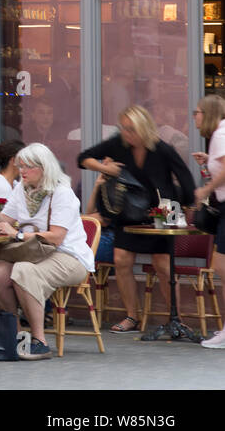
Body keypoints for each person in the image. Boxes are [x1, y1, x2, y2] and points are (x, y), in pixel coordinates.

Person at [78, 105, 194, 333]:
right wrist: (106, 169)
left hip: (162, 209)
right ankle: (132, 316)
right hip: (128, 211)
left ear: (143, 128)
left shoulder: (162, 149)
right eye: (123, 128)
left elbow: (185, 177)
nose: (126, 133)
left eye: (131, 129)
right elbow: (83, 158)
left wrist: (189, 206)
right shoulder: (119, 145)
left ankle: (176, 319)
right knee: (121, 259)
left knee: (163, 265)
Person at [0, 143, 94, 360]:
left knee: (24, 270)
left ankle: (40, 341)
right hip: (35, 252)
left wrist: (16, 235)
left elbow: (56, 236)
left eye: (27, 166)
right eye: (20, 165)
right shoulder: (22, 189)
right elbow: (5, 220)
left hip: (68, 256)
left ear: (44, 168)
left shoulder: (61, 193)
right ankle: (17, 335)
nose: (22, 170)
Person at [192, 95, 225, 348]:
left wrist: (205, 190)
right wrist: (208, 163)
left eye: (198, 112)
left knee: (221, 268)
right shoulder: (218, 137)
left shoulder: (220, 136)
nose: (195, 116)